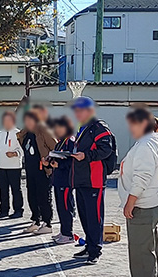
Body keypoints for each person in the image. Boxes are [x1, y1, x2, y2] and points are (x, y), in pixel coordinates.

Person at [119, 107, 158, 277]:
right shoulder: (152, 142)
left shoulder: (146, 146)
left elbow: (141, 178)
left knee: (141, 250)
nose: (130, 128)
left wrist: (130, 203)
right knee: (149, 247)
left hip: (143, 205)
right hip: (151, 203)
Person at [69, 96, 117, 265]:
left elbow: (106, 150)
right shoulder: (82, 128)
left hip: (94, 179)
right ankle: (89, 246)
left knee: (95, 217)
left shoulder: (99, 128)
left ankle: (95, 250)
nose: (76, 114)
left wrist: (86, 155)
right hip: (81, 179)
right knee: (84, 216)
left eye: (79, 110)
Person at [19, 111, 56, 234]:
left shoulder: (44, 130)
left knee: (43, 197)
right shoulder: (26, 133)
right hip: (30, 170)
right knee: (32, 196)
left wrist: (48, 161)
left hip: (42, 170)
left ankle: (47, 223)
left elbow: (55, 147)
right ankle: (36, 220)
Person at [0, 111, 24, 219]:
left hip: (14, 167)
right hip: (2, 167)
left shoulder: (18, 133)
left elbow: (22, 149)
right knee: (3, 190)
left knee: (16, 189)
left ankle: (18, 210)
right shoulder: (0, 133)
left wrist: (15, 153)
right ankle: (4, 210)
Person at [49, 116, 76, 244]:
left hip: (66, 180)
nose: (57, 130)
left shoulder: (70, 141)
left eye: (59, 127)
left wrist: (60, 165)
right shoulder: (60, 142)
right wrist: (49, 162)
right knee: (60, 206)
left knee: (66, 206)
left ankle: (68, 234)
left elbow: (72, 161)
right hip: (58, 179)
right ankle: (63, 231)